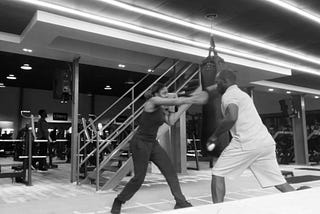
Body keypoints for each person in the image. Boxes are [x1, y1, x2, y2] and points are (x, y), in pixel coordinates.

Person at [205, 69, 303, 203]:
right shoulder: (242, 94)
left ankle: (218, 210)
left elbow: (232, 117)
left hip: (246, 142)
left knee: (217, 173)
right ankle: (302, 200)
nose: (217, 86)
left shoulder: (228, 95)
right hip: (265, 143)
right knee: (280, 183)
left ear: (225, 82)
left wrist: (214, 136)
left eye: (218, 83)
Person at [111, 82, 208, 214]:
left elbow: (171, 121)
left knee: (170, 171)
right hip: (140, 142)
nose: (166, 95)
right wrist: (192, 98)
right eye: (163, 93)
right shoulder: (152, 101)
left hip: (153, 143)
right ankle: (119, 201)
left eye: (167, 92)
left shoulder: (163, 108)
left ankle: (180, 201)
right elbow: (174, 99)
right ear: (156, 94)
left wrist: (186, 104)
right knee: (139, 179)